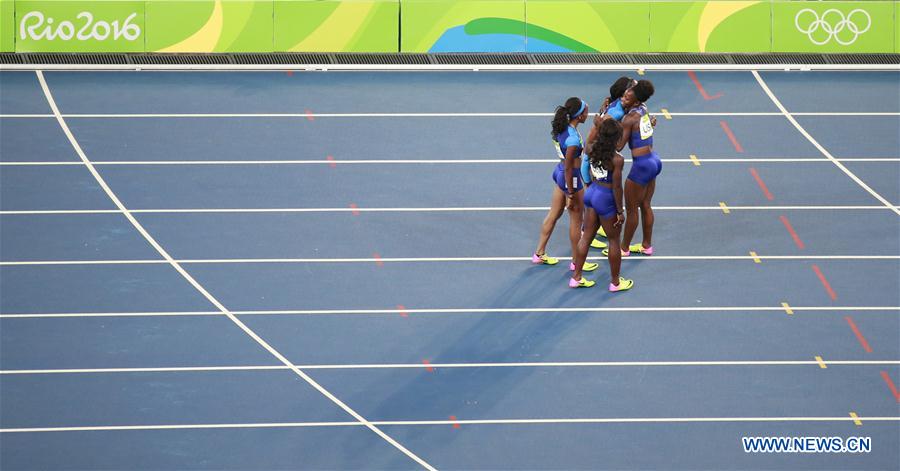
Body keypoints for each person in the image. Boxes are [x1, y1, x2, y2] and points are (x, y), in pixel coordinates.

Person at [533, 97, 599, 274]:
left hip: (560, 172)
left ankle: (539, 252)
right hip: (571, 177)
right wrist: (571, 192)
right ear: (578, 116)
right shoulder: (572, 140)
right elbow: (570, 166)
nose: (588, 114)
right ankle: (577, 262)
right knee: (576, 220)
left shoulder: (563, 129)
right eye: (586, 111)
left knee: (554, 213)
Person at [570, 118, 633, 291]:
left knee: (587, 237)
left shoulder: (590, 148)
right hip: (606, 198)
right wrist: (620, 211)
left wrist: (589, 183)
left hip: (591, 193)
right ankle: (615, 282)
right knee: (613, 240)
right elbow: (617, 187)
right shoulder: (617, 159)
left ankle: (576, 277)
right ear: (616, 138)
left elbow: (587, 169)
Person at [612, 79, 661, 257]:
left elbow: (618, 147)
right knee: (646, 204)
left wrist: (608, 128)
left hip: (641, 165)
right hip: (654, 160)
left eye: (627, 96)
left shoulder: (629, 119)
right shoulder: (644, 109)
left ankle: (623, 248)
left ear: (635, 100)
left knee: (632, 210)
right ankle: (647, 245)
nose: (624, 97)